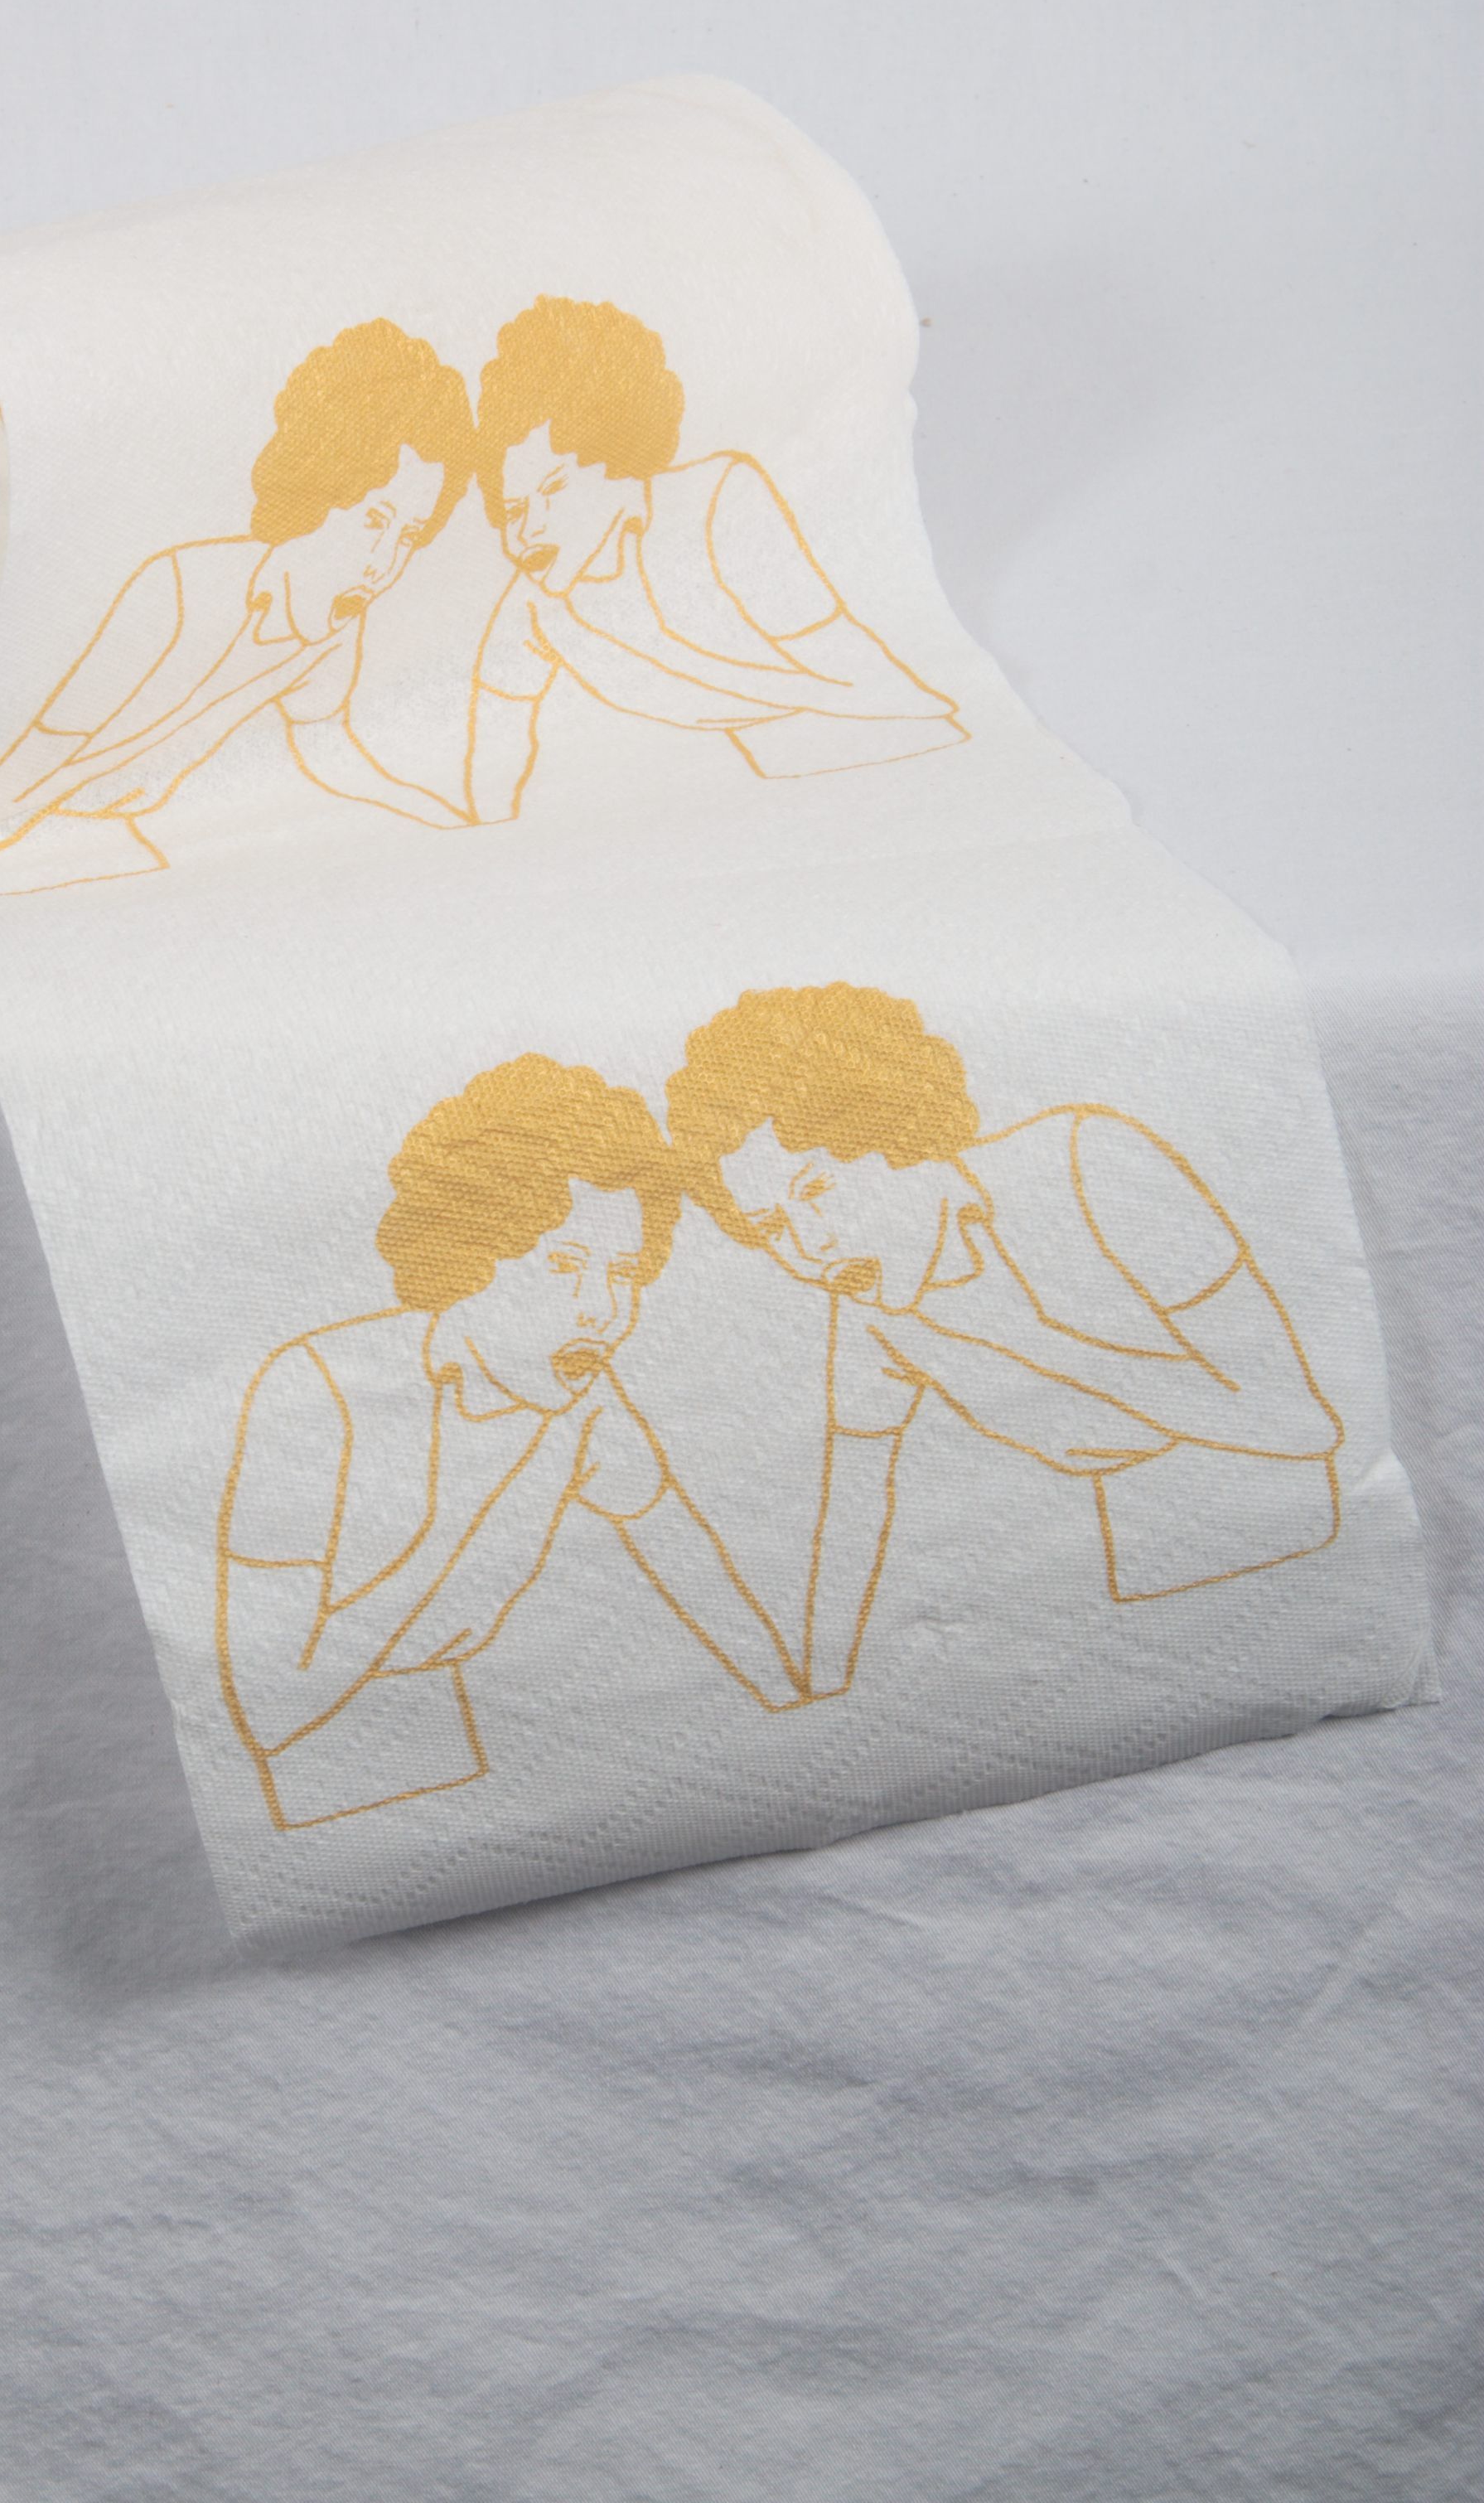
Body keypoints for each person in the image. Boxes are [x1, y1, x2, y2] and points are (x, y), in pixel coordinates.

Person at [663, 982, 1344, 1695]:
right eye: (770, 1227)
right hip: (1147, 1578)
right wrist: (825, 1685)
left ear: (899, 1133)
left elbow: (1297, 1425)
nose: (809, 1246)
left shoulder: (1090, 1166)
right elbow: (853, 1518)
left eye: (817, 1192)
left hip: (1293, 1534)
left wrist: (1027, 1340)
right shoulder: (876, 1309)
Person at [216, 1053, 801, 1829]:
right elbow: (271, 1708)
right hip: (304, 1784)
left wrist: (795, 1698)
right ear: (470, 1255)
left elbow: (685, 1555)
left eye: (626, 1273)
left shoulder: (579, 1398)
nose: (602, 1310)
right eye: (562, 1265)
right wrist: (460, 1517)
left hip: (455, 1757)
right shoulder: (318, 1389)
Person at [0, 318, 476, 893]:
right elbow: (49, 743)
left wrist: (426, 808)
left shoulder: (333, 635)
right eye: (373, 521)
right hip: (36, 826)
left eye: (410, 536)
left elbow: (327, 750)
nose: (385, 563)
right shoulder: (180, 590)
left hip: (126, 835)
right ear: (318, 489)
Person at [464, 297, 965, 821]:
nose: (529, 528)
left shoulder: (716, 502)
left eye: (553, 489)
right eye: (513, 509)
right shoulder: (537, 604)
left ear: (617, 457)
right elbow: (499, 719)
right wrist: (492, 823)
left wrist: (905, 710)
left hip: (900, 735)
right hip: (785, 787)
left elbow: (820, 634)